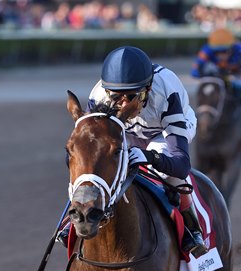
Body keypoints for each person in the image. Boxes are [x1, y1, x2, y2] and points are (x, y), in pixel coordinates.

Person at [57, 46, 208, 258]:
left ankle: (192, 228)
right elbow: (88, 149)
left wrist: (150, 157)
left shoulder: (166, 90)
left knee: (170, 175)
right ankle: (71, 220)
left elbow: (181, 164)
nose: (125, 103)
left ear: (148, 88)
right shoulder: (99, 96)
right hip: (125, 131)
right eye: (118, 97)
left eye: (131, 95)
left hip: (164, 132)